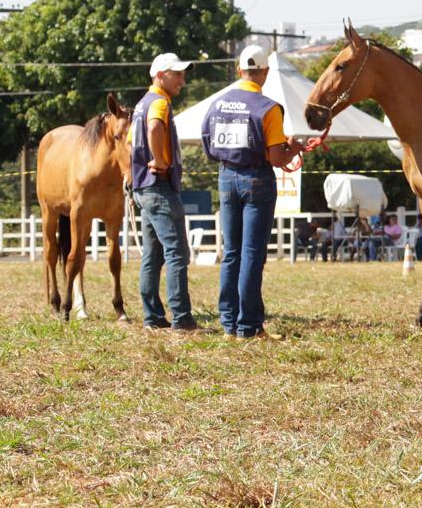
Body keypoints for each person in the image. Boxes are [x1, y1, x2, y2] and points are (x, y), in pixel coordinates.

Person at [202, 44, 305, 341]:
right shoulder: (268, 108)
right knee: (251, 254)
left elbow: (209, 144)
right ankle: (249, 326)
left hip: (225, 176)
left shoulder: (218, 103)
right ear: (265, 73)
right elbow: (276, 159)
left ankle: (228, 323)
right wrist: (292, 148)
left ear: (239, 71)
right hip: (256, 179)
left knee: (231, 252)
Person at [129, 52, 199, 332]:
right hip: (158, 188)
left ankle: (153, 317)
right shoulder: (159, 102)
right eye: (177, 74)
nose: (182, 80)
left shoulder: (141, 103)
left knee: (152, 255)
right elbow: (155, 127)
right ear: (160, 75)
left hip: (142, 187)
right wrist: (160, 160)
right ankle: (182, 319)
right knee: (177, 253)